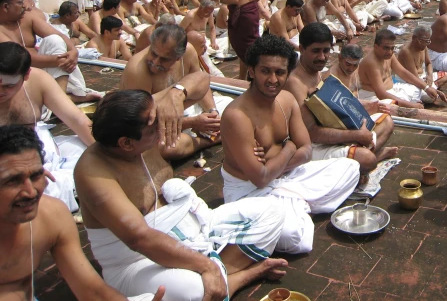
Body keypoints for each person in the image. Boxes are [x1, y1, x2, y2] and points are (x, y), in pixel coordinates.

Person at [75, 90, 287, 300]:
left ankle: (215, 278)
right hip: (136, 260)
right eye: (155, 125)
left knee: (272, 212)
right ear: (126, 143)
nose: (163, 124)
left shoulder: (143, 130)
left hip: (190, 227)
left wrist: (178, 94)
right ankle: (242, 275)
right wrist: (206, 266)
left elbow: (199, 82)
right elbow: (139, 238)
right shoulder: (93, 173)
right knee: (191, 290)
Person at [220, 34, 359, 254]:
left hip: (286, 177)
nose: (273, 79)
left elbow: (306, 150)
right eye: (265, 71)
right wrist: (290, 147)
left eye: (280, 72)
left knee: (351, 168)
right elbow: (260, 178)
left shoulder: (287, 100)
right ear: (251, 71)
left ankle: (295, 204)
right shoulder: (237, 115)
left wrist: (283, 155)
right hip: (250, 191)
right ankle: (297, 206)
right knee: (297, 241)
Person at [0, 125, 164, 301]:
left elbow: (91, 290)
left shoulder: (53, 215)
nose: (30, 192)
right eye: (12, 181)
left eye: (35, 176)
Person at [285, 23, 398, 174]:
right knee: (367, 159)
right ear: (302, 48)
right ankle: (374, 156)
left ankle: (362, 157)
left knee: (387, 122)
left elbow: (337, 105)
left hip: (334, 131)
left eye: (326, 51)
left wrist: (369, 106)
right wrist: (356, 135)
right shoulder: (295, 83)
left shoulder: (317, 72)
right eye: (316, 51)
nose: (322, 57)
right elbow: (312, 133)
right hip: (312, 145)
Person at [0, 42, 93, 211]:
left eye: (8, 86)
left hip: (40, 147)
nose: (0, 91)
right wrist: (26, 172)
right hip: (6, 163)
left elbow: (76, 119)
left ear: (26, 75)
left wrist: (108, 156)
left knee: (91, 151)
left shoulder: (38, 80)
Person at [120, 24, 227, 160]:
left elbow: (201, 83)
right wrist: (193, 122)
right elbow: (143, 124)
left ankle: (209, 127)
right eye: (153, 53)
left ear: (178, 57)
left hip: (186, 108)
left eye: (164, 59)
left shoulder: (188, 52)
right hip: (154, 125)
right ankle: (204, 142)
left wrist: (213, 112)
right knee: (163, 148)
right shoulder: (136, 70)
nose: (155, 61)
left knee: (233, 109)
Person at [0, 0, 102, 104]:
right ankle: (61, 101)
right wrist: (60, 60)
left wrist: (73, 52)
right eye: (20, 3)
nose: (25, 6)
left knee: (54, 40)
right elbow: (21, 59)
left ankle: (60, 97)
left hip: (49, 66)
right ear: (6, 7)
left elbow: (60, 36)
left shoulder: (27, 18)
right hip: (21, 73)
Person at [358, 28, 445, 108]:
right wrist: (411, 105)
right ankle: (407, 103)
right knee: (389, 107)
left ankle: (408, 102)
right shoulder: (371, 63)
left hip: (393, 90)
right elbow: (381, 94)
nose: (389, 52)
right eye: (386, 48)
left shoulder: (389, 55)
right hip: (375, 97)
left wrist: (426, 88)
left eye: (392, 48)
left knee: (423, 92)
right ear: (376, 47)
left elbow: (403, 73)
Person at [397, 25, 447, 99]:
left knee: (445, 75)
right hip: (411, 81)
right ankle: (432, 89)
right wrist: (436, 91)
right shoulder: (406, 52)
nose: (425, 44)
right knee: (431, 97)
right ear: (414, 38)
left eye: (427, 41)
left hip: (423, 77)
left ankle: (432, 87)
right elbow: (414, 77)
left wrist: (430, 76)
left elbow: (429, 63)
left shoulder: (424, 46)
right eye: (422, 41)